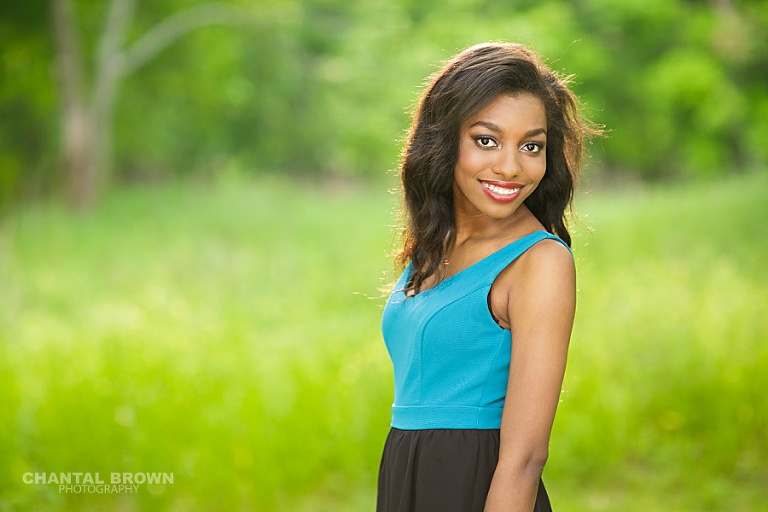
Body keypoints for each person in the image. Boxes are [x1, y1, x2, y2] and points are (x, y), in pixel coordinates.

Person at [377, 42, 599, 512]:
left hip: (476, 487)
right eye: (487, 140)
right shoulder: (434, 245)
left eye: (531, 146)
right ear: (445, 140)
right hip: (407, 476)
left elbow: (524, 459)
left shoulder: (539, 262)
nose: (510, 166)